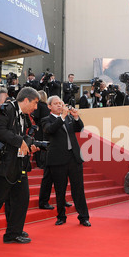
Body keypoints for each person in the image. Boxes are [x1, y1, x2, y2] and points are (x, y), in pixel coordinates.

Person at [0, 87, 41, 245]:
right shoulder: (8, 109)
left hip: (18, 164)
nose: (36, 107)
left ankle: (13, 233)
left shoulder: (24, 116)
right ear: (26, 100)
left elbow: (23, 135)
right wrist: (20, 142)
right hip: (4, 165)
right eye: (35, 103)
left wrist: (29, 144)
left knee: (22, 199)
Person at [42, 96, 91, 227]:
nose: (59, 105)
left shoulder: (69, 118)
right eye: (56, 104)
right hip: (57, 160)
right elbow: (50, 130)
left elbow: (79, 128)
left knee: (78, 189)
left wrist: (75, 117)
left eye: (61, 103)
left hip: (74, 158)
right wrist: (62, 117)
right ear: (49, 106)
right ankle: (61, 216)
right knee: (60, 190)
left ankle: (84, 217)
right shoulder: (46, 120)